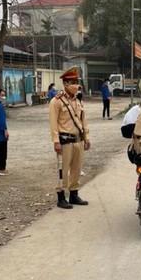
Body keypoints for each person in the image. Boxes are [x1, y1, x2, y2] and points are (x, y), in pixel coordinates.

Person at [49, 66, 90, 209]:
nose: (76, 85)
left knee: (76, 169)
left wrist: (87, 137)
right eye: (72, 82)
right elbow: (53, 123)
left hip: (78, 140)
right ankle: (61, 197)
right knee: (63, 170)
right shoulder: (56, 101)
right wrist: (55, 141)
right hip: (64, 140)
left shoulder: (78, 101)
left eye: (76, 82)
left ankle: (74, 194)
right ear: (65, 84)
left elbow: (83, 120)